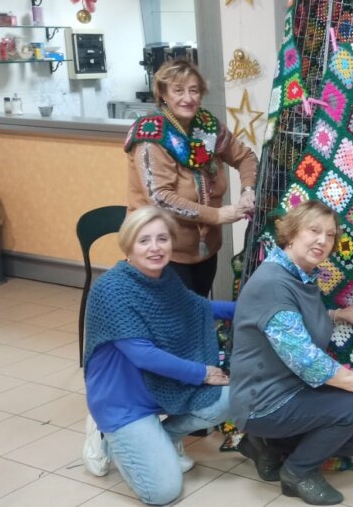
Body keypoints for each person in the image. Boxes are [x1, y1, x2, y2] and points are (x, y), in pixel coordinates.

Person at [229, 201, 353, 505]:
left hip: (288, 393)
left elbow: (291, 326)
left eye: (330, 235)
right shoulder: (274, 283)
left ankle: (267, 445)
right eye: (314, 230)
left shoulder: (300, 275)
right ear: (290, 233)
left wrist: (339, 314)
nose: (323, 241)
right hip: (262, 402)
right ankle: (297, 472)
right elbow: (307, 361)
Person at [82, 206, 233, 505]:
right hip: (122, 400)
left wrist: (260, 308)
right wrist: (201, 372)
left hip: (158, 385)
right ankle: (104, 438)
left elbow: (201, 308)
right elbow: (144, 355)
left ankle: (162, 439)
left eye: (162, 239)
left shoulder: (166, 278)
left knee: (231, 397)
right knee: (163, 492)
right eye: (144, 240)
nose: (155, 248)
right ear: (129, 245)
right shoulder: (112, 289)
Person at [125, 60, 259, 296]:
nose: (187, 98)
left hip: (204, 249)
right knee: (172, 323)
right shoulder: (151, 135)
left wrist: (248, 190)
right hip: (162, 250)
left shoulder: (207, 126)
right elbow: (161, 198)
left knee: (196, 313)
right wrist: (217, 215)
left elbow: (245, 157)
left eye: (193, 90)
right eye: (178, 90)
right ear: (163, 94)